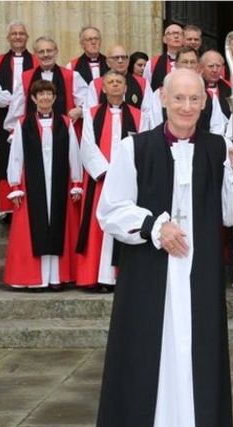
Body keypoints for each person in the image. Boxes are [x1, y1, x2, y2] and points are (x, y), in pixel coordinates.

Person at [89, 68, 233, 427]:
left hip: (197, 283)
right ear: (163, 99)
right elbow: (111, 210)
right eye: (178, 99)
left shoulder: (219, 148)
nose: (186, 108)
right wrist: (155, 226)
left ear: (206, 104)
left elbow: (232, 213)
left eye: (194, 100)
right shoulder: (134, 148)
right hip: (149, 281)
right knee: (148, 372)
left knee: (196, 373)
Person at [4, 79, 84, 290]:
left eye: (49, 94)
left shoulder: (66, 123)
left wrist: (77, 181)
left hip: (59, 185)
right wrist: (15, 185)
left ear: (55, 98)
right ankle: (35, 279)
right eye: (41, 94)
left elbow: (73, 152)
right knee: (34, 228)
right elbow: (16, 156)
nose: (45, 98)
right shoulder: (23, 124)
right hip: (32, 187)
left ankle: (56, 278)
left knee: (58, 226)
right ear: (33, 98)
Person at [77, 70, 142, 291]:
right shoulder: (92, 113)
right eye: (110, 82)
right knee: (97, 226)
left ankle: (118, 277)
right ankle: (97, 277)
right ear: (103, 88)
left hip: (128, 181)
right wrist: (106, 172)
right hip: (101, 181)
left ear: (125, 88)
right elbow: (87, 145)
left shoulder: (138, 115)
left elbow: (142, 145)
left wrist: (126, 172)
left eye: (119, 82)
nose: (115, 85)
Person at [0, 21, 34, 223]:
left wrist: (22, 102)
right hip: (4, 117)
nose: (17, 37)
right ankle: (6, 207)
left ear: (27, 37)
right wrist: (16, 100)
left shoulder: (37, 62)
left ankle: (30, 198)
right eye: (14, 34)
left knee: (30, 156)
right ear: (8, 37)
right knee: (6, 157)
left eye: (21, 33)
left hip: (31, 113)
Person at [5, 37, 87, 135]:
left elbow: (87, 100)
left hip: (64, 132)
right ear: (35, 54)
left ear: (56, 51)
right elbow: (16, 107)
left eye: (49, 51)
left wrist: (79, 110)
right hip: (33, 132)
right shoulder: (25, 78)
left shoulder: (72, 76)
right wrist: (15, 132)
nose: (45, 55)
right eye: (41, 52)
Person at [141, 47, 200, 131]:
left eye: (193, 62)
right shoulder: (161, 94)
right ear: (176, 65)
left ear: (197, 65)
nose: (189, 66)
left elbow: (217, 125)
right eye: (185, 62)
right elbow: (155, 123)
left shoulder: (206, 94)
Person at [85, 45, 150, 109]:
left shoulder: (143, 83)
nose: (120, 61)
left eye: (123, 57)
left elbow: (148, 111)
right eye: (116, 58)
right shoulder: (95, 84)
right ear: (107, 62)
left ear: (128, 61)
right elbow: (90, 112)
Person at [198, 50, 232, 136]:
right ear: (201, 68)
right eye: (210, 66)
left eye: (218, 66)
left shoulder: (229, 88)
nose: (215, 70)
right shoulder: (196, 87)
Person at [144, 22, 185, 92]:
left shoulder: (191, 61)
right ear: (164, 39)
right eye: (171, 33)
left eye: (179, 33)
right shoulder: (152, 63)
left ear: (184, 39)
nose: (176, 36)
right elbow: (146, 90)